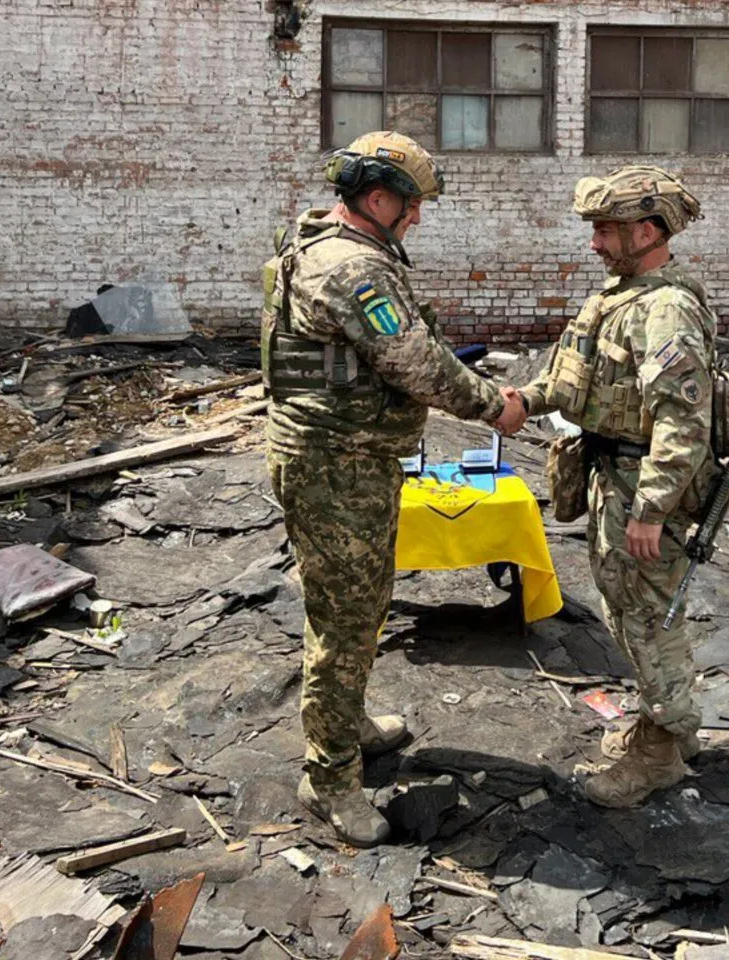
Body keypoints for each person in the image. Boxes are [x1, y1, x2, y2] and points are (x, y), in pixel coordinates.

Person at [261, 131, 527, 847]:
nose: (416, 219)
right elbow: (416, 363)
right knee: (345, 621)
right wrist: (493, 404)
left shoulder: (317, 244)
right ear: (377, 199)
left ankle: (343, 726)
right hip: (334, 468)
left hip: (345, 460)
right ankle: (329, 779)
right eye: (410, 206)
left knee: (362, 605)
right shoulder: (354, 270)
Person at [515, 165, 714, 808]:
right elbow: (571, 378)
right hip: (613, 475)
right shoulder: (617, 297)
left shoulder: (667, 309)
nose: (595, 242)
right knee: (627, 611)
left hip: (644, 487)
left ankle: (662, 750)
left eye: (606, 229)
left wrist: (652, 509)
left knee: (650, 618)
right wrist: (519, 399)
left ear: (648, 230)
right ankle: (660, 727)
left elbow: (684, 421)